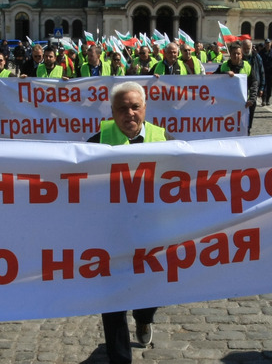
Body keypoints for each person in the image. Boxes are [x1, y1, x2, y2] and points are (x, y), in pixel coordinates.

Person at [85, 81, 168, 363]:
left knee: (149, 293)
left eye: (135, 107)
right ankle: (120, 359)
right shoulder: (95, 142)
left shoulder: (164, 140)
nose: (129, 114)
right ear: (112, 111)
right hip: (111, 237)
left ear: (145, 108)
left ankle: (144, 318)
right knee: (113, 302)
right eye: (122, 108)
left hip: (151, 234)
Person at [215, 42, 258, 134]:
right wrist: (224, 74)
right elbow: (213, 78)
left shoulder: (247, 66)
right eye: (234, 53)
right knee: (228, 126)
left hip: (245, 102)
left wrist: (252, 98)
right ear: (230, 55)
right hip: (228, 103)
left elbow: (254, 83)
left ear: (241, 55)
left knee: (245, 127)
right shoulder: (224, 66)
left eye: (238, 54)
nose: (236, 56)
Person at [241, 39, 264, 133]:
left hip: (253, 88)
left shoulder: (256, 57)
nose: (246, 50)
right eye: (245, 48)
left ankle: (248, 130)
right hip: (242, 89)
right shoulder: (239, 56)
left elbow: (262, 72)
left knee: (251, 111)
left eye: (248, 48)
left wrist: (262, 87)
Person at [259, 40, 272, 105]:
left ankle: (268, 99)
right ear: (265, 44)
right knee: (263, 85)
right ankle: (263, 99)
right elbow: (259, 62)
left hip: (271, 72)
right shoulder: (261, 52)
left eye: (269, 43)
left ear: (271, 43)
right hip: (263, 71)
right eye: (266, 43)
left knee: (270, 86)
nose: (268, 45)